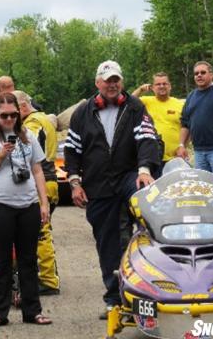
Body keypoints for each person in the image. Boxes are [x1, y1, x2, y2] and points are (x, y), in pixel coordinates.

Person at [64, 60, 160, 318]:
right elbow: (72, 150)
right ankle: (114, 300)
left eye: (116, 79)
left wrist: (144, 169)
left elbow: (148, 140)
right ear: (98, 83)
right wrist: (74, 182)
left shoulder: (135, 107)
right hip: (98, 184)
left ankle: (152, 292)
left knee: (151, 223)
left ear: (122, 82)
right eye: (107, 80)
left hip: (129, 176)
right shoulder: (82, 113)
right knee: (107, 242)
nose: (112, 84)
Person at [0, 92, 52, 327]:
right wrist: (0, 155)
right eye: (4, 115)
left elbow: (37, 170)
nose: (9, 120)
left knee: (28, 260)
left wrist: (43, 203)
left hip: (27, 205)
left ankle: (32, 311)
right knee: (1, 260)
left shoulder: (27, 135)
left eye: (13, 115)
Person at [13, 90, 60, 296]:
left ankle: (48, 280)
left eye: (14, 111)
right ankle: (49, 275)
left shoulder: (32, 124)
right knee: (42, 231)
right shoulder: (44, 118)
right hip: (51, 180)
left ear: (22, 107)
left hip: (44, 181)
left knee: (41, 233)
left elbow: (26, 153)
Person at [177, 61, 213, 176]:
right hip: (198, 152)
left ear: (211, 75)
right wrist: (181, 145)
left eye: (203, 72)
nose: (199, 75)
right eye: (196, 73)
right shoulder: (191, 96)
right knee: (203, 189)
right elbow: (185, 123)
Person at [132, 72, 184, 170]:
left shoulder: (179, 104)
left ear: (170, 86)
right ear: (153, 87)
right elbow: (129, 102)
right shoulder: (145, 102)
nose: (162, 86)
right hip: (152, 157)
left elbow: (186, 128)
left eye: (165, 84)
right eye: (158, 84)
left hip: (175, 158)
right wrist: (140, 89)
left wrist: (182, 146)